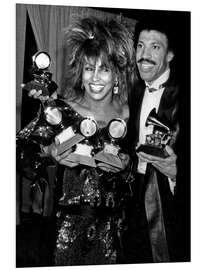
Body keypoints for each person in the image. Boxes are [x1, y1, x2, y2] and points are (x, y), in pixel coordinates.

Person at [16, 17, 136, 266]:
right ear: (80, 73)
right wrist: (49, 152)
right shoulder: (62, 110)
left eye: (104, 69)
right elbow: (20, 152)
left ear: (116, 76)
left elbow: (141, 176)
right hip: (64, 233)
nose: (95, 77)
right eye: (88, 68)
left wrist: (126, 167)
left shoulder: (130, 114)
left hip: (115, 235)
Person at [122, 18, 187, 263]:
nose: (144, 55)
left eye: (155, 47)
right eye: (140, 46)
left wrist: (178, 172)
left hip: (170, 200)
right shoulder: (133, 91)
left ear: (170, 55)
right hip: (134, 193)